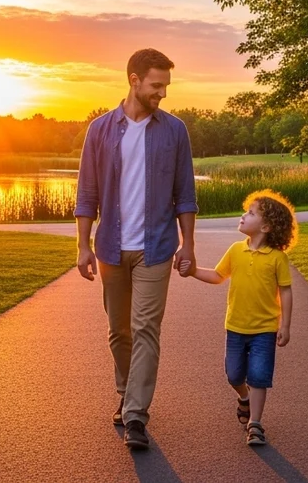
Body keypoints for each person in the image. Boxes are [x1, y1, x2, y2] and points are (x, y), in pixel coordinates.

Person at [74, 48, 199, 450]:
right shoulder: (100, 131)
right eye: (156, 85)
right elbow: (86, 194)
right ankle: (126, 392)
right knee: (119, 331)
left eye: (166, 86)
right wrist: (82, 246)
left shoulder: (174, 130)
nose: (162, 93)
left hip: (156, 247)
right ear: (134, 79)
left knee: (146, 328)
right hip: (110, 245)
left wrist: (188, 244)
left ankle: (136, 416)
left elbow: (185, 194)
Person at [177, 189, 296, 447]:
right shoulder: (235, 250)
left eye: (250, 213)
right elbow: (218, 276)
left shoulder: (277, 258)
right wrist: (193, 271)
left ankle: (255, 424)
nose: (243, 215)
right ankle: (243, 397)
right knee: (234, 375)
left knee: (259, 376)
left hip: (264, 329)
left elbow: (285, 292)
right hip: (235, 327)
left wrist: (284, 325)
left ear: (265, 226)